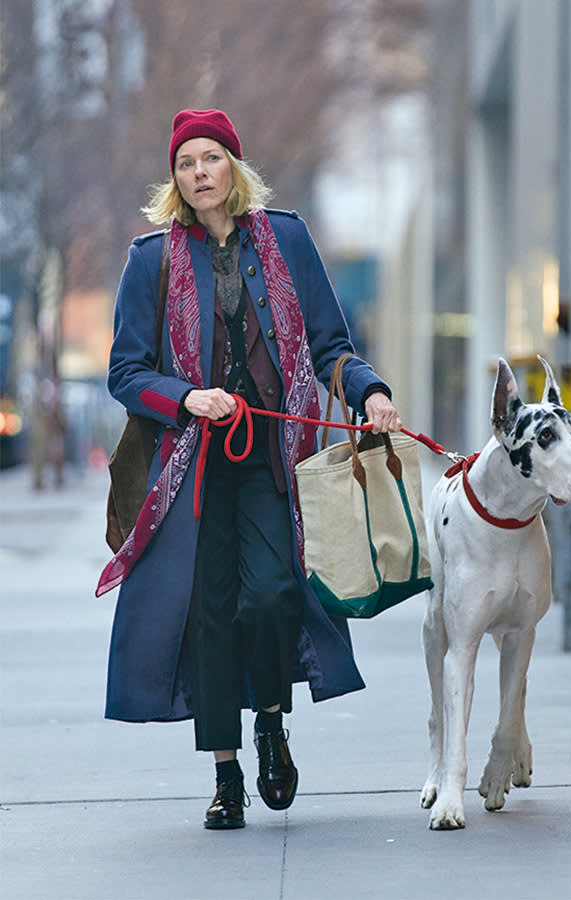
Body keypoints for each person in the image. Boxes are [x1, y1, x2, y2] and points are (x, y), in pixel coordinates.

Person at [96, 108, 402, 831]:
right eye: (185, 163)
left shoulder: (286, 238)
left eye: (211, 158)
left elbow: (331, 344)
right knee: (208, 618)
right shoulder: (152, 259)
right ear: (174, 178)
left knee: (269, 598)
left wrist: (372, 391)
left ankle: (270, 721)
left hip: (273, 464)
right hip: (190, 474)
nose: (199, 172)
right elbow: (125, 371)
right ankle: (225, 775)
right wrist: (185, 396)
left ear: (235, 166)